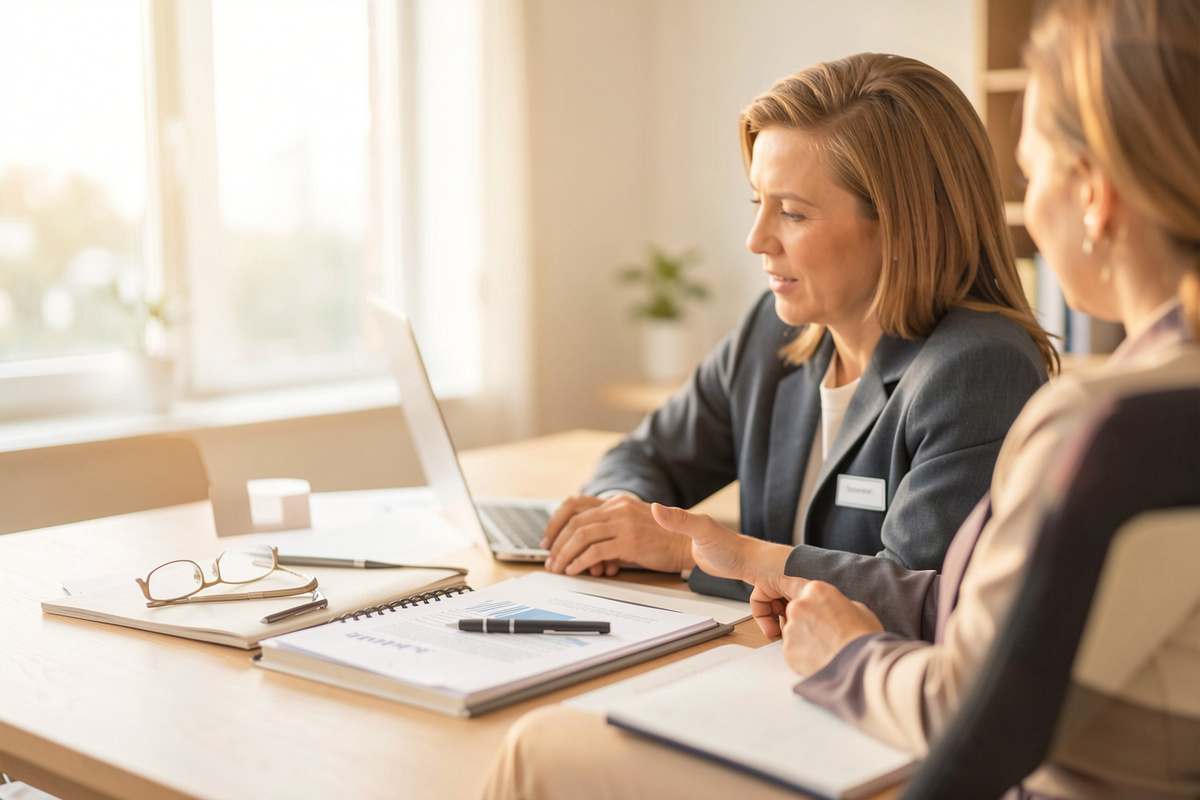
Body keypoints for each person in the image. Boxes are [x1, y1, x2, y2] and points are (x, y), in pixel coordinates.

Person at [481, 1, 1200, 798]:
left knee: (538, 746)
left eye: (791, 212)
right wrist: (655, 527)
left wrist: (805, 620)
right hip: (846, 693)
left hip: (906, 738)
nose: (757, 241)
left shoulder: (1078, 408)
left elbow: (964, 676)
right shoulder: (1142, 403)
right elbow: (978, 619)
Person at [541, 53, 1055, 600]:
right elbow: (641, 457)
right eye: (758, 202)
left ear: (902, 226)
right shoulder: (774, 330)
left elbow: (919, 595)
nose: (756, 240)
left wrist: (686, 550)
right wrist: (620, 522)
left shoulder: (978, 370)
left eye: (792, 212)